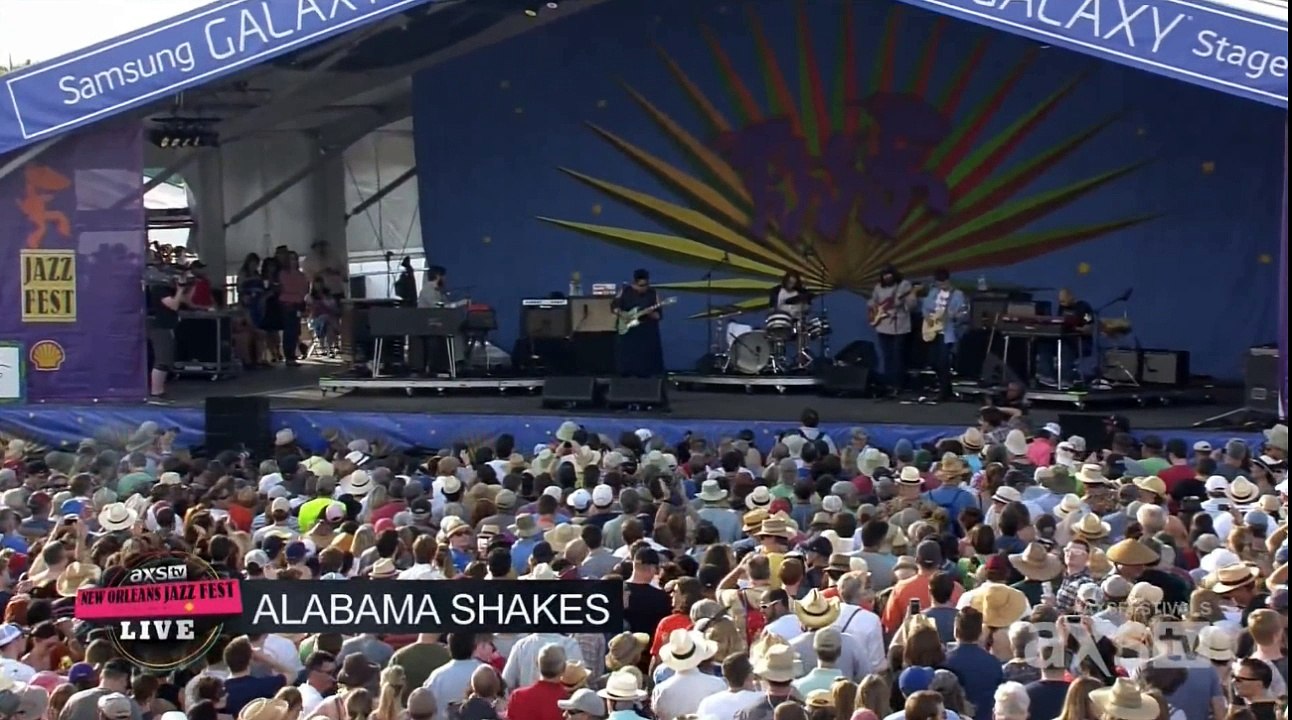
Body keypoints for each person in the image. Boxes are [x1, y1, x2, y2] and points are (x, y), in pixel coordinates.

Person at [868, 266, 919, 396]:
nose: (887, 277)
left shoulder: (904, 285)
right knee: (887, 356)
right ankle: (888, 384)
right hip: (883, 325)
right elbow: (872, 301)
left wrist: (904, 301)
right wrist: (874, 309)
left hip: (899, 326)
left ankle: (898, 385)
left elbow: (912, 305)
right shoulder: (878, 287)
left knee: (898, 357)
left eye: (889, 274)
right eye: (884, 275)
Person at [919, 269, 966, 401]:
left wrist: (954, 316)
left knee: (943, 361)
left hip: (947, 332)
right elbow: (925, 308)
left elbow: (962, 313)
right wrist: (929, 317)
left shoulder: (957, 294)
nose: (941, 286)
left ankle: (944, 391)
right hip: (933, 331)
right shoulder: (933, 292)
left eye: (943, 282)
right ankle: (947, 389)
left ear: (948, 281)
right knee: (933, 361)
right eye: (939, 283)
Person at [613, 269, 665, 378]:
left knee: (646, 361)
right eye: (640, 286)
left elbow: (659, 316)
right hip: (628, 331)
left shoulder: (653, 293)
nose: (643, 288)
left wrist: (651, 313)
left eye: (645, 285)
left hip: (646, 331)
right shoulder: (624, 291)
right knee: (626, 358)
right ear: (634, 283)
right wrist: (624, 315)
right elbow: (614, 307)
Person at [1038, 288, 1094, 387]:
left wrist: (1075, 329)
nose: (1061, 303)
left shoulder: (1084, 308)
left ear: (1071, 297)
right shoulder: (1063, 308)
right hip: (1063, 338)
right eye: (1060, 301)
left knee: (1066, 346)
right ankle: (1047, 375)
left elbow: (1089, 328)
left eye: (1063, 301)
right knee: (1044, 343)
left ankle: (1066, 379)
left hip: (1079, 341)